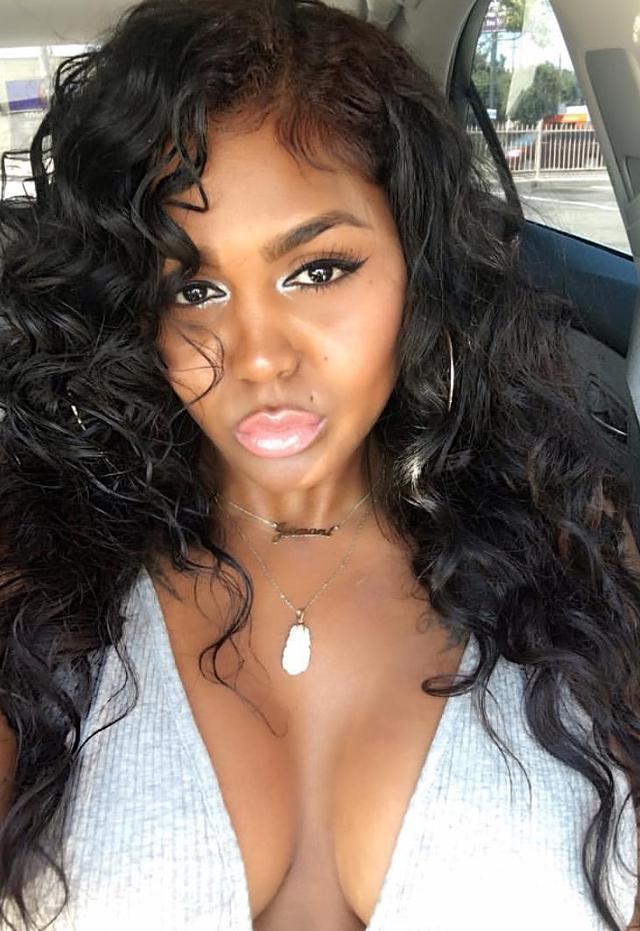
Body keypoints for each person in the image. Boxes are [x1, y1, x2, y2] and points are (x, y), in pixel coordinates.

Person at [0, 0, 639, 928]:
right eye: (195, 287)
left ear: (419, 262)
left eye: (319, 270)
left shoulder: (571, 546)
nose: (260, 356)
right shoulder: (40, 572)